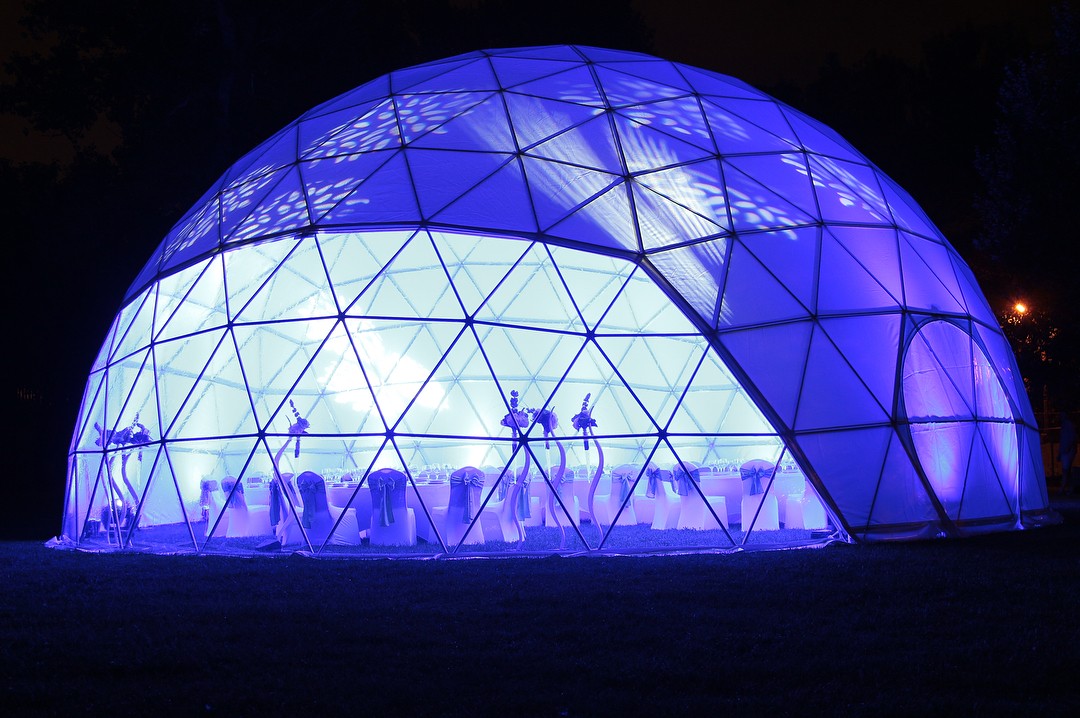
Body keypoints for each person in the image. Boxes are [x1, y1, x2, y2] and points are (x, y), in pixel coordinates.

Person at [1059, 412, 1078, 494]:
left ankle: (1064, 488)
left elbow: (1069, 439)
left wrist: (1067, 449)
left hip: (1067, 451)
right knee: (1067, 470)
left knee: (1066, 470)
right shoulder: (1067, 425)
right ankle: (1068, 488)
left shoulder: (1066, 426)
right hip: (1067, 451)